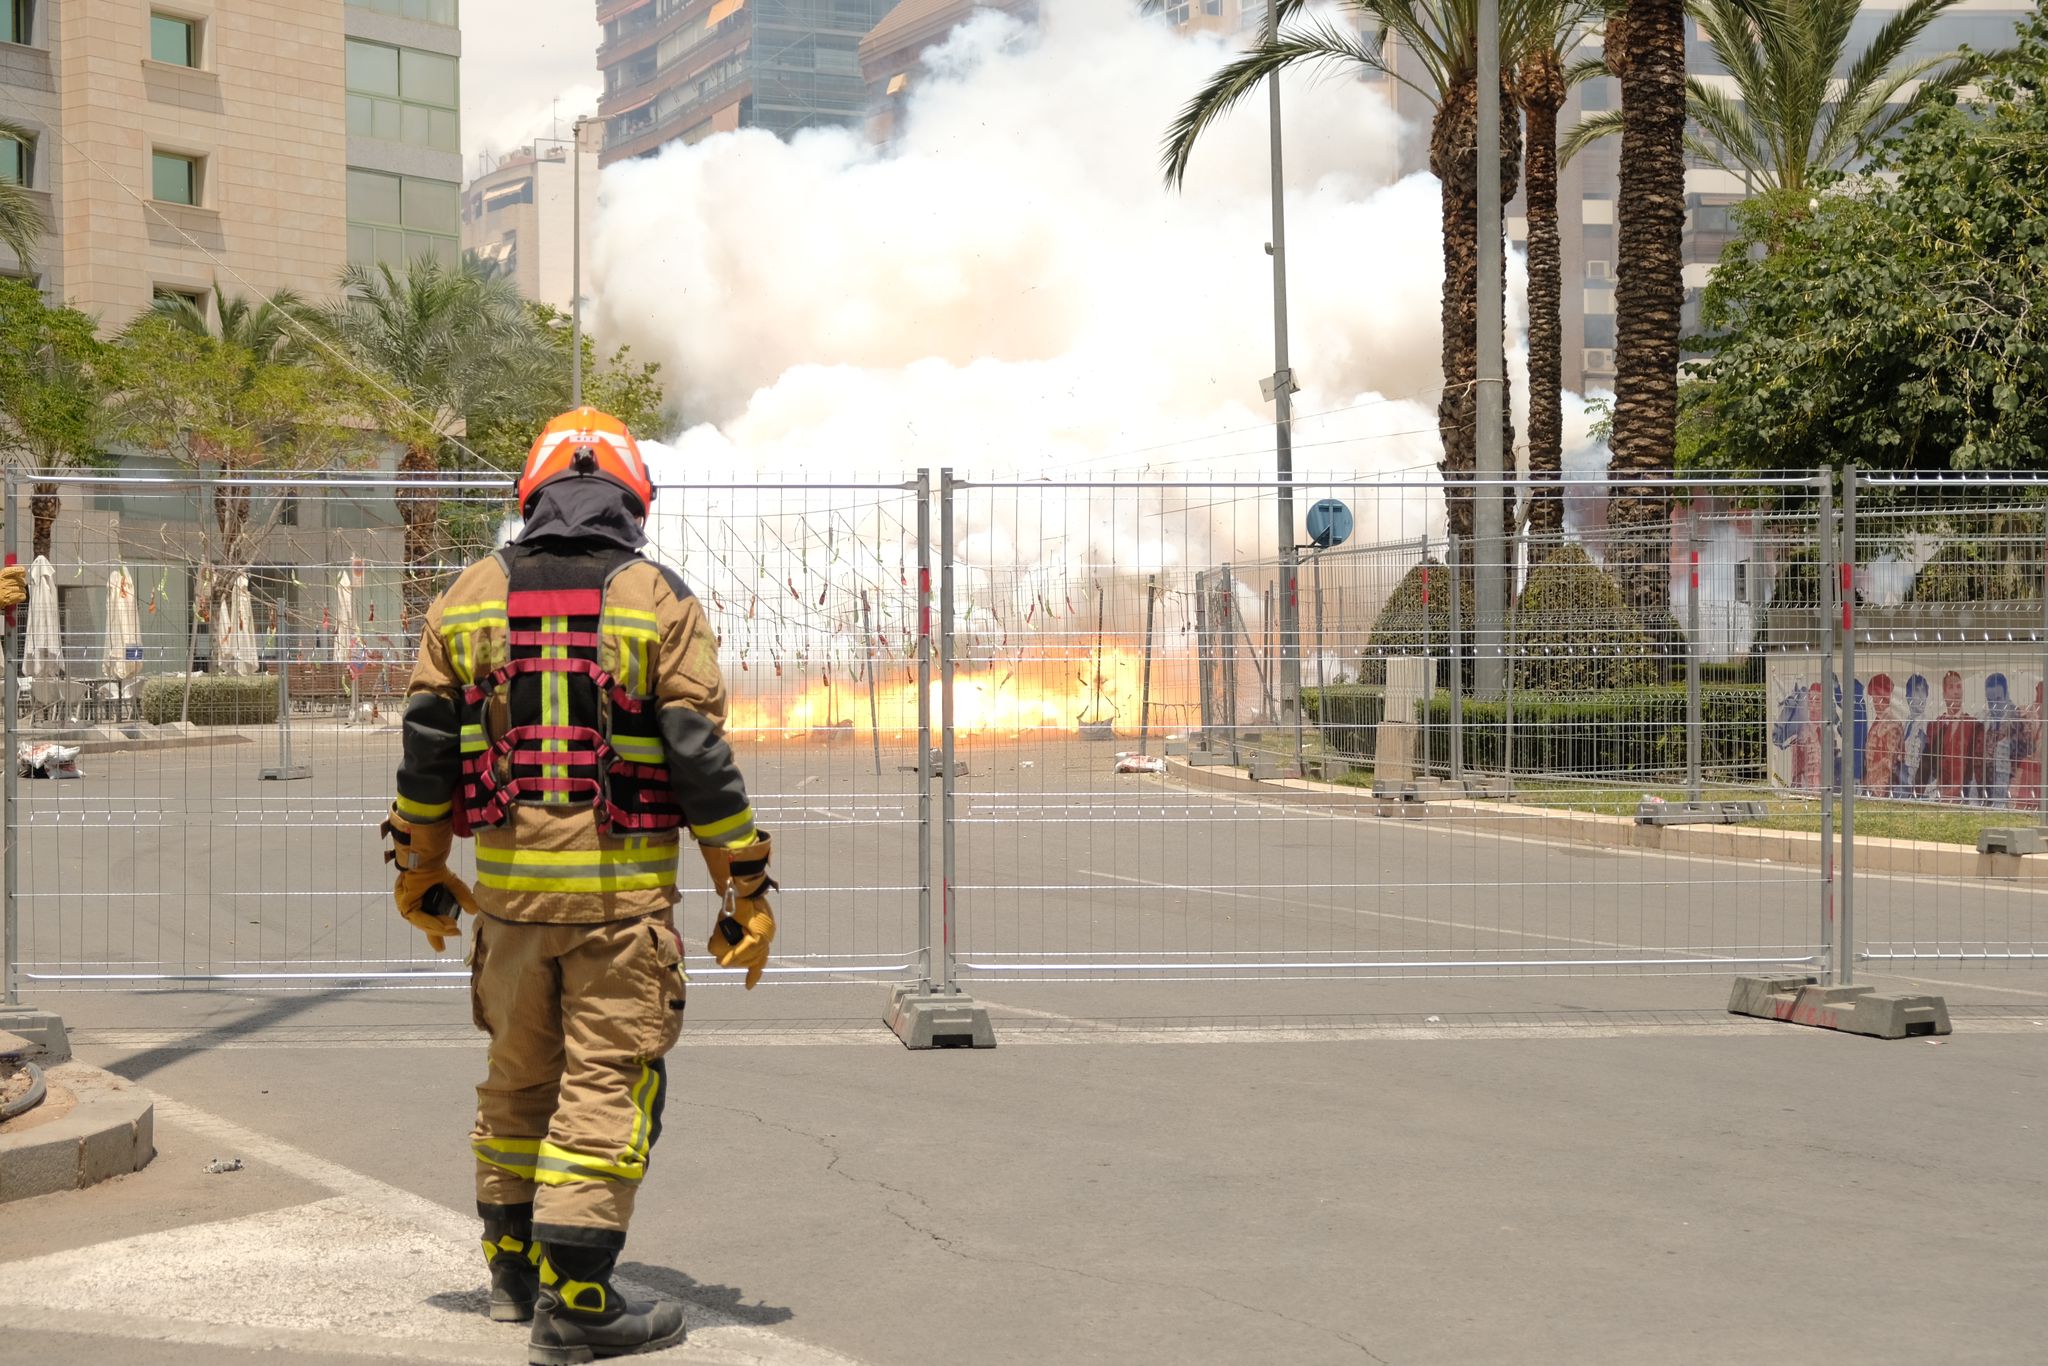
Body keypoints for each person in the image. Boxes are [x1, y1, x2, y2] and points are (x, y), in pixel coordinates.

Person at [383, 408, 778, 1365]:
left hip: (508, 909)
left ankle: (513, 1277)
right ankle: (580, 1302)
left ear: (531, 497)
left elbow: (429, 748)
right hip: (620, 913)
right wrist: (745, 885)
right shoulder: (659, 600)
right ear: (635, 501)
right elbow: (697, 758)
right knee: (608, 1083)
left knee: (518, 1083)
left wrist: (421, 867)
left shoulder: (467, 597)